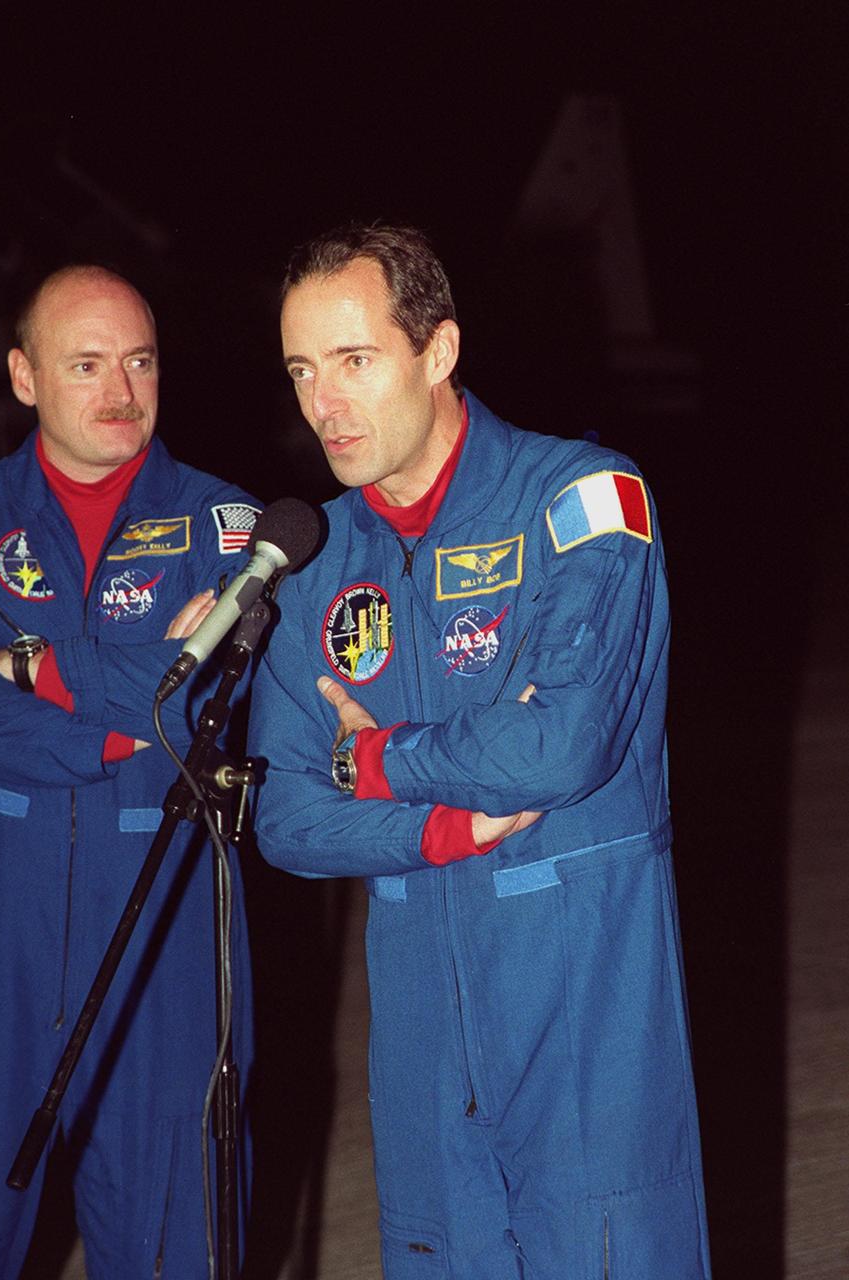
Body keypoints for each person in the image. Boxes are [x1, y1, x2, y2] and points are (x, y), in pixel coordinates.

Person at [248, 224, 712, 1278]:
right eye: (303, 370)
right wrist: (448, 823)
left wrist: (377, 764)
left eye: (354, 360)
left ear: (439, 350)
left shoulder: (583, 501)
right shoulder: (311, 563)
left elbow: (561, 740)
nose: (324, 402)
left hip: (584, 1008)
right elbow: (283, 814)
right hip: (420, 1034)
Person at [0, 265, 260, 1278]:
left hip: (163, 895)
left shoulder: (227, 527)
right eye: (87, 364)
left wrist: (33, 668)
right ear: (24, 375)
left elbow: (213, 701)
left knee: (176, 1228)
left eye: (140, 360)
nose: (122, 390)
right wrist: (123, 722)